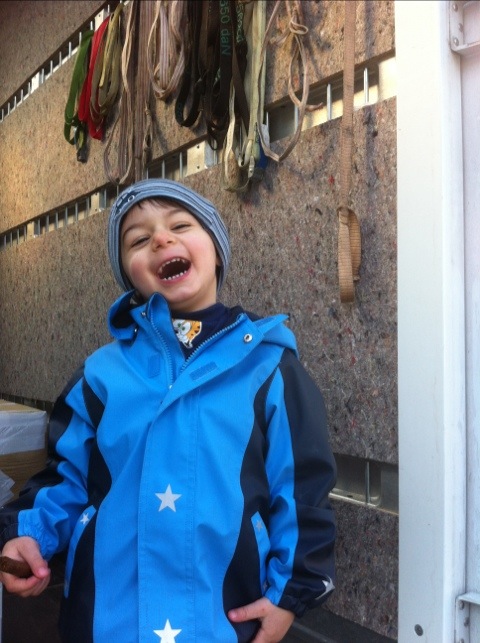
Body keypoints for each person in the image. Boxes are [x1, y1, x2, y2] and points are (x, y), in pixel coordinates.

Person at [0, 179, 336, 643]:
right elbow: (66, 477)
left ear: (216, 251)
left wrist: (289, 594)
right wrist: (28, 533)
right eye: (138, 239)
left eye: (180, 225)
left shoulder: (270, 369)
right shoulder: (99, 375)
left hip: (223, 620)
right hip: (104, 623)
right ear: (129, 275)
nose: (161, 238)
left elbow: (301, 491)